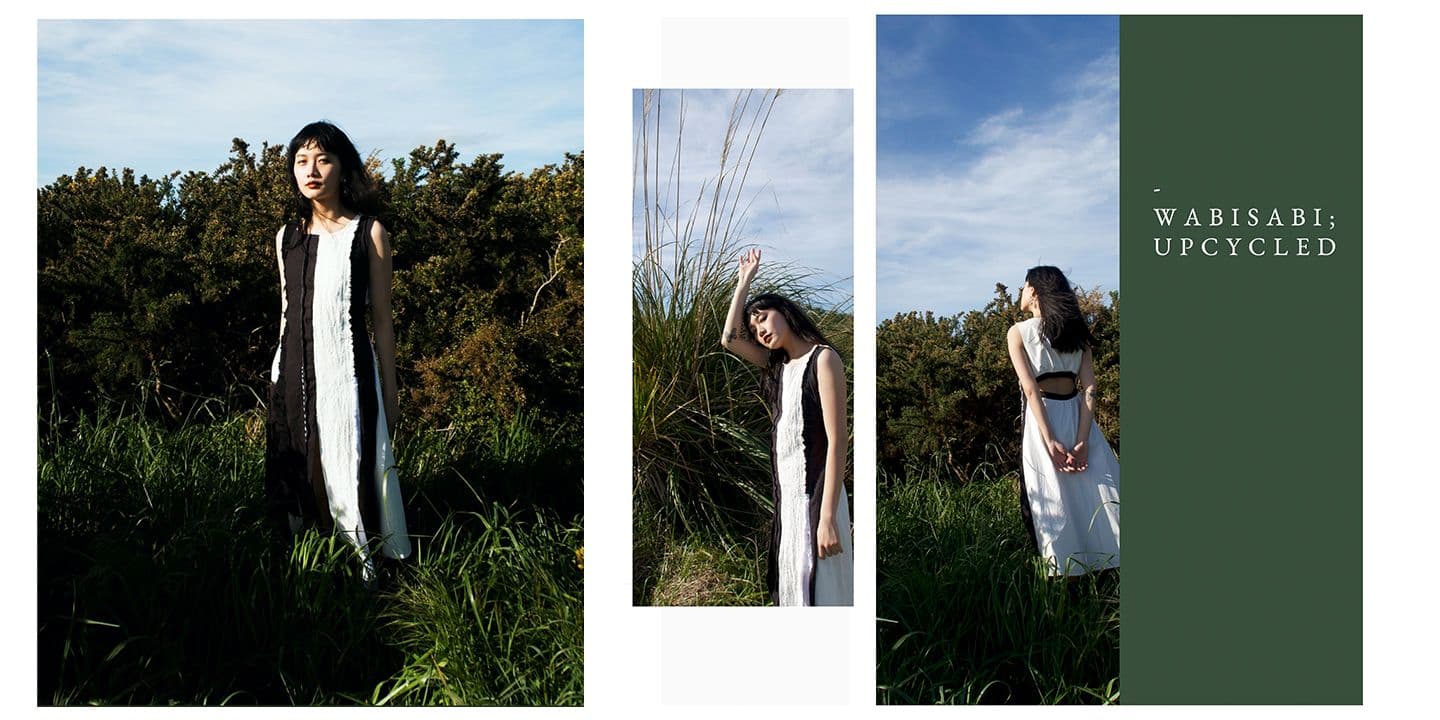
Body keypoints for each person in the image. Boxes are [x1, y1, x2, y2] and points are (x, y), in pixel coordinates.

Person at [265, 121, 411, 576]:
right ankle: (307, 567)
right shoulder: (285, 237)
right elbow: (288, 312)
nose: (311, 170)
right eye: (301, 161)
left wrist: (391, 391)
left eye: (323, 159)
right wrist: (276, 377)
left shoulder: (370, 233)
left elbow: (383, 321)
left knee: (353, 462)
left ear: (343, 168)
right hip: (293, 368)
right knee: (299, 466)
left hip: (349, 371)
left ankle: (365, 568)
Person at [721, 248, 853, 606]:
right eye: (755, 327)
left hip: (818, 498)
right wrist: (743, 283)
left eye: (764, 318)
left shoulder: (823, 359)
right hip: (789, 502)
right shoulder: (778, 366)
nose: (760, 330)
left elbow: (838, 441)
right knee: (792, 588)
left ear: (786, 312)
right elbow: (729, 340)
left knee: (824, 591)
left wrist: (827, 519)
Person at [1005, 266, 1120, 577]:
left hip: (1044, 416)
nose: (1020, 292)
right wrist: (1083, 439)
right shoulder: (1077, 332)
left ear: (1033, 291)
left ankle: (1064, 571)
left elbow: (1030, 389)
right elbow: (1090, 388)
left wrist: (1049, 437)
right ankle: (1106, 568)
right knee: (1095, 493)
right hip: (1077, 414)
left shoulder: (1018, 332)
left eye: (1023, 286)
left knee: (1050, 498)